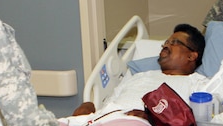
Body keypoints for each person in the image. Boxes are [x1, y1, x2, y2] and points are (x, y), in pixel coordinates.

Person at [73, 23, 207, 118]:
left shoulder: (198, 85)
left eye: (174, 42)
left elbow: (191, 123)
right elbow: (108, 106)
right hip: (104, 125)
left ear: (191, 56)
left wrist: (151, 120)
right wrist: (90, 109)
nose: (166, 45)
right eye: (166, 42)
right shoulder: (139, 77)